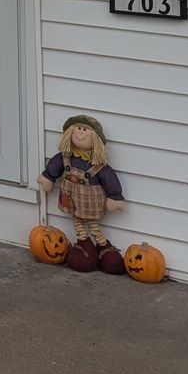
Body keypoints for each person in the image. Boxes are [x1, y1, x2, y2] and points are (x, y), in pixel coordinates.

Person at [38, 113, 125, 273]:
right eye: (78, 128)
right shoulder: (65, 158)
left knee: (93, 224)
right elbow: (54, 168)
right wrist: (48, 178)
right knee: (78, 222)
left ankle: (102, 245)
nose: (80, 132)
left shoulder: (99, 165)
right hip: (70, 197)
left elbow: (109, 179)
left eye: (85, 130)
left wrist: (114, 197)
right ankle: (83, 243)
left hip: (90, 201)